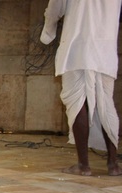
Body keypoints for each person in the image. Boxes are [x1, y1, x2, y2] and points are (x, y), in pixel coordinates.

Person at [40, 0, 122, 176]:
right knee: (106, 104)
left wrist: (48, 33)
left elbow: (54, 9)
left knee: (77, 102)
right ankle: (113, 164)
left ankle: (83, 166)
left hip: (76, 48)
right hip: (105, 51)